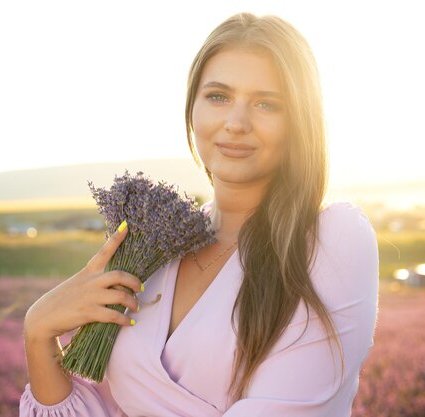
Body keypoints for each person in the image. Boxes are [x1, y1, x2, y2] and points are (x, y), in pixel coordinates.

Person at [19, 11, 379, 417]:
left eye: (266, 103)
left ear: (301, 120)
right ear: (192, 108)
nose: (236, 123)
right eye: (218, 96)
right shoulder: (158, 244)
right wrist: (38, 331)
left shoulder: (331, 237)